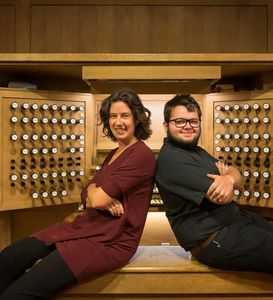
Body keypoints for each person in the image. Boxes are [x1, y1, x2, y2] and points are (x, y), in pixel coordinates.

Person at [0, 90, 156, 299]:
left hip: (110, 242)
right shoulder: (114, 152)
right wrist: (94, 194)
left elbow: (97, 198)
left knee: (19, 294)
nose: (118, 122)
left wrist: (96, 197)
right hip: (85, 227)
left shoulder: (141, 154)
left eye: (125, 116)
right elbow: (87, 191)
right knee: (8, 258)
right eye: (113, 116)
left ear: (137, 118)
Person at [155, 94, 273, 290]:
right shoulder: (171, 160)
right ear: (166, 126)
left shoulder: (197, 152)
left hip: (236, 221)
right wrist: (228, 180)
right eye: (180, 121)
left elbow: (235, 175)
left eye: (193, 121)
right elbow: (224, 196)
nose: (188, 126)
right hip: (215, 239)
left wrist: (229, 178)